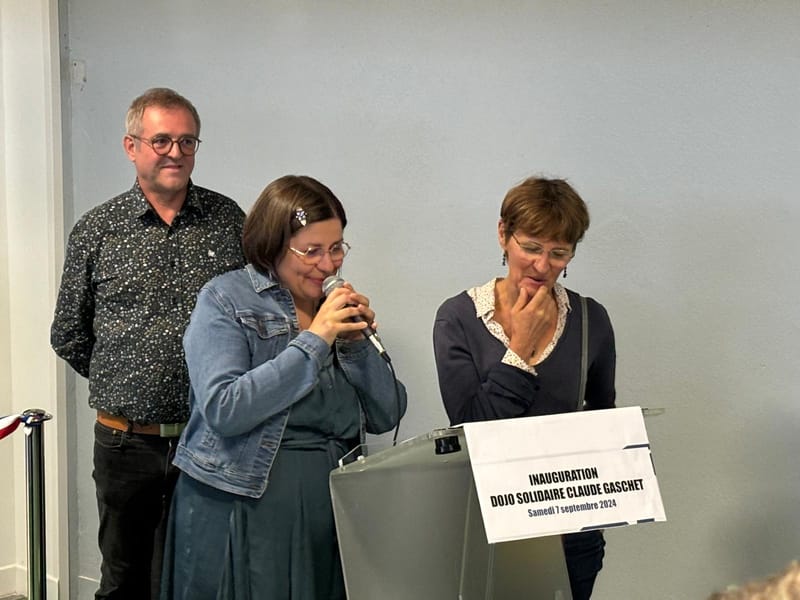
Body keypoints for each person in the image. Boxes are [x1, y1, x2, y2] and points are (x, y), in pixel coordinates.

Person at [161, 174, 407, 600]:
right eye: (311, 251)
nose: (328, 265)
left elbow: (387, 414)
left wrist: (354, 347)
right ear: (273, 245)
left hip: (328, 502)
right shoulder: (224, 299)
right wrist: (315, 341)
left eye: (336, 249)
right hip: (245, 501)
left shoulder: (333, 308)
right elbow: (225, 408)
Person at [50, 87, 246, 600]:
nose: (175, 153)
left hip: (211, 438)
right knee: (123, 580)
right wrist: (128, 377)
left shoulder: (230, 222)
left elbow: (254, 315)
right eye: (161, 140)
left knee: (209, 577)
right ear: (131, 146)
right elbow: (68, 331)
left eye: (187, 141)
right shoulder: (97, 230)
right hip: (125, 443)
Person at [432, 176, 616, 600]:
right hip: (489, 526)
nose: (542, 265)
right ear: (503, 235)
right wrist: (520, 349)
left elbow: (602, 419)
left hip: (572, 532)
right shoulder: (458, 317)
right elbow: (472, 425)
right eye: (531, 247)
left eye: (559, 253)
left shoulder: (591, 319)